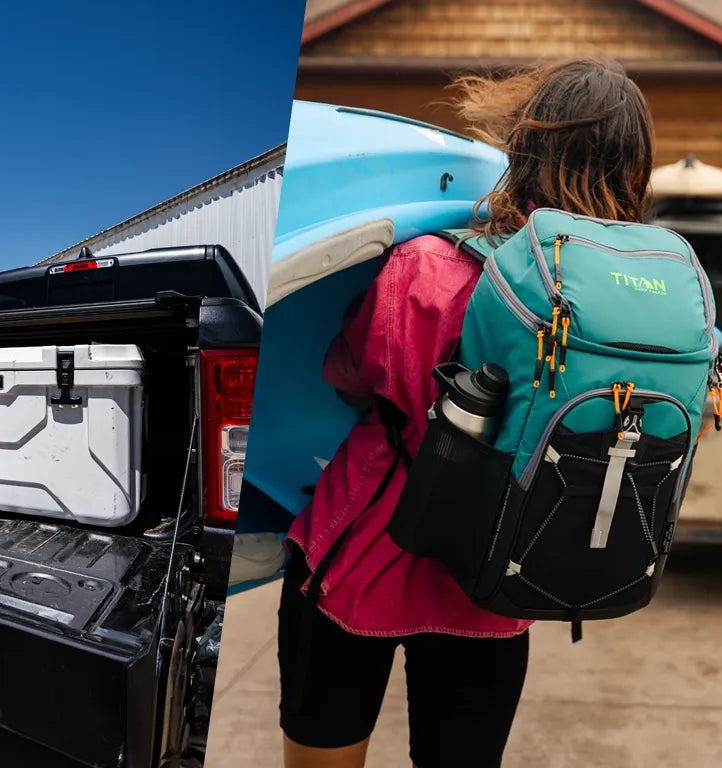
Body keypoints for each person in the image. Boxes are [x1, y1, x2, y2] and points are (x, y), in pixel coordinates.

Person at [278, 59, 655, 768]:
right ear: (634, 174)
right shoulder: (635, 313)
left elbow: (349, 375)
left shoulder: (425, 266)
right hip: (500, 582)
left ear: (525, 152)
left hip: (359, 562)